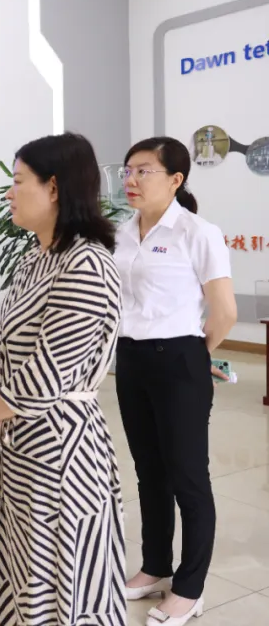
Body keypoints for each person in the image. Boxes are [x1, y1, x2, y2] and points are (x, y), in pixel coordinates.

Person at [0, 133, 126, 625]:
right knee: (19, 565)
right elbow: (0, 339)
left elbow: (45, 376)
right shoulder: (34, 258)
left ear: (54, 188)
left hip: (61, 451)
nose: (9, 192)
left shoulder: (87, 263)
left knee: (61, 578)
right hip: (18, 442)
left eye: (18, 181)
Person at [115, 137, 236, 626]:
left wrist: (195, 355)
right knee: (150, 472)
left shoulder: (197, 232)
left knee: (187, 475)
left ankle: (189, 588)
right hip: (131, 359)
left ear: (175, 179)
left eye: (143, 170)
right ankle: (155, 567)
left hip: (180, 358)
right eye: (127, 170)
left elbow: (224, 311)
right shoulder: (121, 233)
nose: (131, 179)